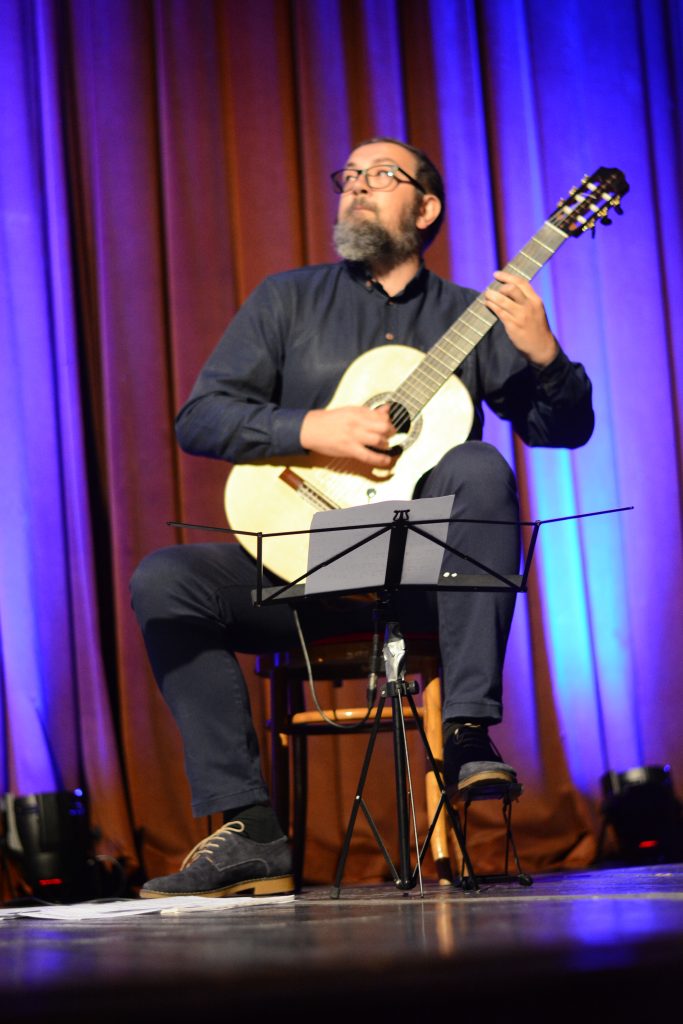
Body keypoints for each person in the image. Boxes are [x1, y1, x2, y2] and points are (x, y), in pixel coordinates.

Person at [130, 137, 594, 898]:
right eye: (348, 175)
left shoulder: (469, 318)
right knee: (165, 579)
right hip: (303, 571)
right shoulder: (286, 300)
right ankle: (250, 828)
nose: (356, 186)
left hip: (424, 581)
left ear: (426, 207)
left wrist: (546, 357)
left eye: (381, 174)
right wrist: (312, 427)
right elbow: (199, 418)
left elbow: (564, 431)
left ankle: (468, 734)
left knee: (480, 464)